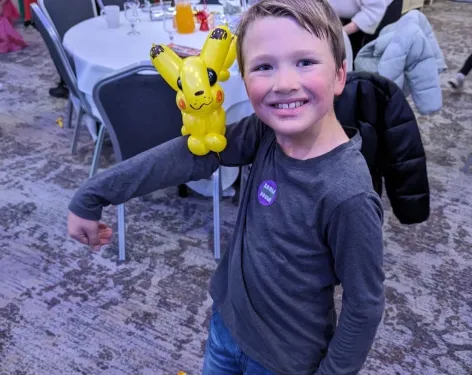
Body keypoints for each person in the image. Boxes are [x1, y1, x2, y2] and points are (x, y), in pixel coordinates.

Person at [67, 0, 386, 374]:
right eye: (264, 66)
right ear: (244, 78)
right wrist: (94, 193)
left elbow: (364, 305)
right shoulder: (264, 132)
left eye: (305, 62)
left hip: (284, 361)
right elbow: (186, 155)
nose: (284, 84)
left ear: (339, 75)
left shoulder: (349, 195)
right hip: (227, 327)